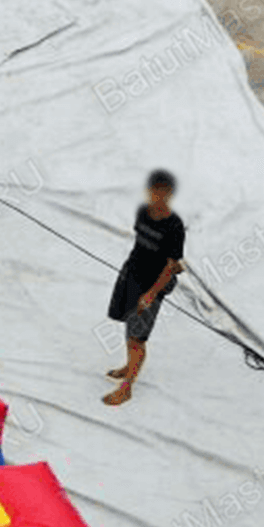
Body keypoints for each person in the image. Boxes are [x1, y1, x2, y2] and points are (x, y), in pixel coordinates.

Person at [103, 170, 186, 406]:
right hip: (131, 275)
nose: (157, 197)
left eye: (163, 193)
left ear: (170, 194)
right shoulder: (142, 212)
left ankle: (127, 388)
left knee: (137, 338)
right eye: (154, 191)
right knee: (129, 328)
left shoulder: (175, 226)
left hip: (152, 285)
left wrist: (151, 293)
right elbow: (140, 245)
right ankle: (129, 366)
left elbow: (171, 265)